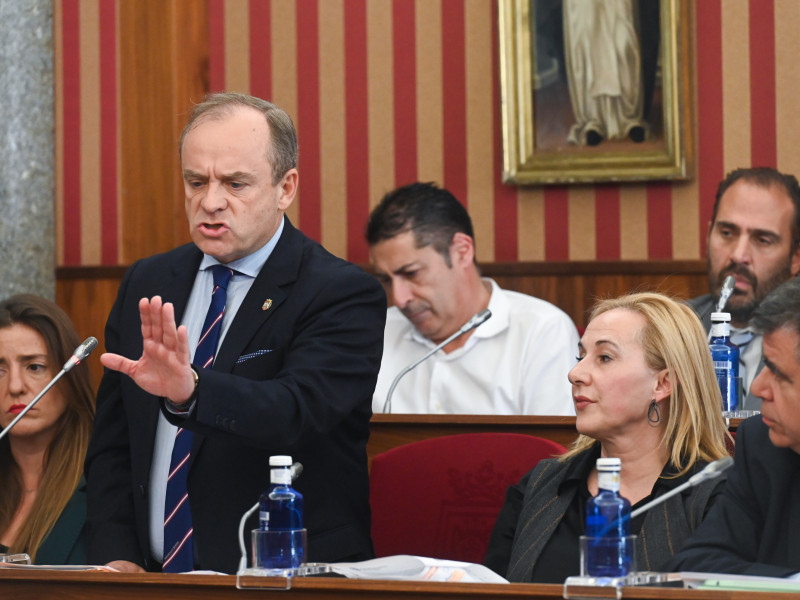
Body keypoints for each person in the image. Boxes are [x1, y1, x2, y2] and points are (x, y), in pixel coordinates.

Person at [84, 92, 386, 574]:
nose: (210, 202)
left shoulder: (341, 292)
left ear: (285, 187)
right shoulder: (148, 282)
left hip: (285, 575)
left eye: (235, 184)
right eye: (195, 181)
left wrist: (193, 391)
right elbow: (116, 449)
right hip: (146, 580)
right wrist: (116, 555)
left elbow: (296, 410)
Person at [484, 292, 730, 583]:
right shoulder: (540, 486)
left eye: (604, 357)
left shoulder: (715, 496)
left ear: (663, 383)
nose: (575, 373)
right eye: (581, 356)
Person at [365, 182, 578, 415]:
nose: (399, 298)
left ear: (461, 251)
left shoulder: (541, 330)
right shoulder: (376, 332)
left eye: (412, 273)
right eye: (386, 279)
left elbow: (556, 448)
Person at [671, 277, 800, 576]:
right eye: (764, 364)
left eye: (778, 373)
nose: (757, 387)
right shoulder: (762, 445)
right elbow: (695, 565)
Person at [688, 167, 800, 410]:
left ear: (796, 258)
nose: (739, 256)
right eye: (727, 233)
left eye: (762, 240)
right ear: (708, 235)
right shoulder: (672, 328)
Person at [0, 294, 95, 564]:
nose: (15, 386)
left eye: (34, 367)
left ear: (70, 377)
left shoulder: (106, 479)